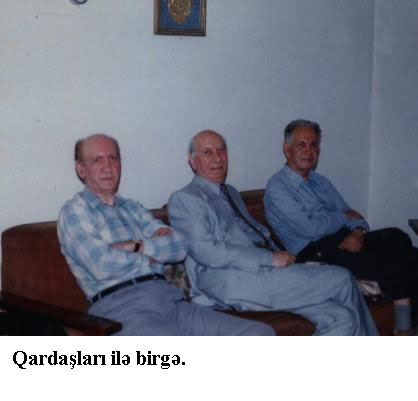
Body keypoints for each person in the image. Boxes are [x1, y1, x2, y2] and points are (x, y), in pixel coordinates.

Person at [57, 133, 275, 336]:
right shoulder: (75, 211)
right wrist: (153, 253)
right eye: (97, 160)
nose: (108, 166)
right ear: (81, 169)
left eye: (113, 158)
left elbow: (179, 246)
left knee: (260, 334)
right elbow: (102, 265)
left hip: (169, 299)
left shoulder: (132, 208)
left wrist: (137, 246)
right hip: (122, 307)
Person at [168, 130, 378, 335]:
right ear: (192, 161)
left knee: (341, 317)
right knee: (341, 278)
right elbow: (208, 252)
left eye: (221, 151)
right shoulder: (185, 199)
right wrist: (269, 259)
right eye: (207, 152)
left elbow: (255, 234)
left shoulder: (230, 192)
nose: (217, 158)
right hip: (230, 281)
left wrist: (287, 260)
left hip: (265, 273)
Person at [264, 119, 417, 334]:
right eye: (301, 144)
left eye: (314, 145)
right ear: (287, 149)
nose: (309, 151)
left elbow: (356, 216)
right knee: (403, 259)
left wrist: (358, 232)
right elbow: (312, 229)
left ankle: (404, 326)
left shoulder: (320, 182)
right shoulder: (278, 187)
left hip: (344, 239)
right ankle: (404, 328)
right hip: (313, 253)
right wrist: (343, 217)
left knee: (397, 237)